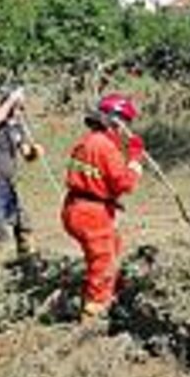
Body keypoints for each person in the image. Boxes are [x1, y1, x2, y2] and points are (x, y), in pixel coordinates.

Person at [62, 93, 145, 323]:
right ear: (115, 121)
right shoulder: (105, 147)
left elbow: (96, 177)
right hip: (91, 213)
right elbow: (125, 183)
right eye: (125, 122)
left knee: (113, 246)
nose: (126, 129)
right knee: (103, 261)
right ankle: (94, 313)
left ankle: (110, 294)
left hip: (75, 206)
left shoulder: (86, 141)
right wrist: (136, 159)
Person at [0, 87, 44, 256]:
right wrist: (12, 99)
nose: (22, 111)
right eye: (19, 107)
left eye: (22, 107)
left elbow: (27, 154)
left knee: (23, 224)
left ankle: (25, 262)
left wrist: (35, 153)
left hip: (7, 185)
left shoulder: (17, 128)